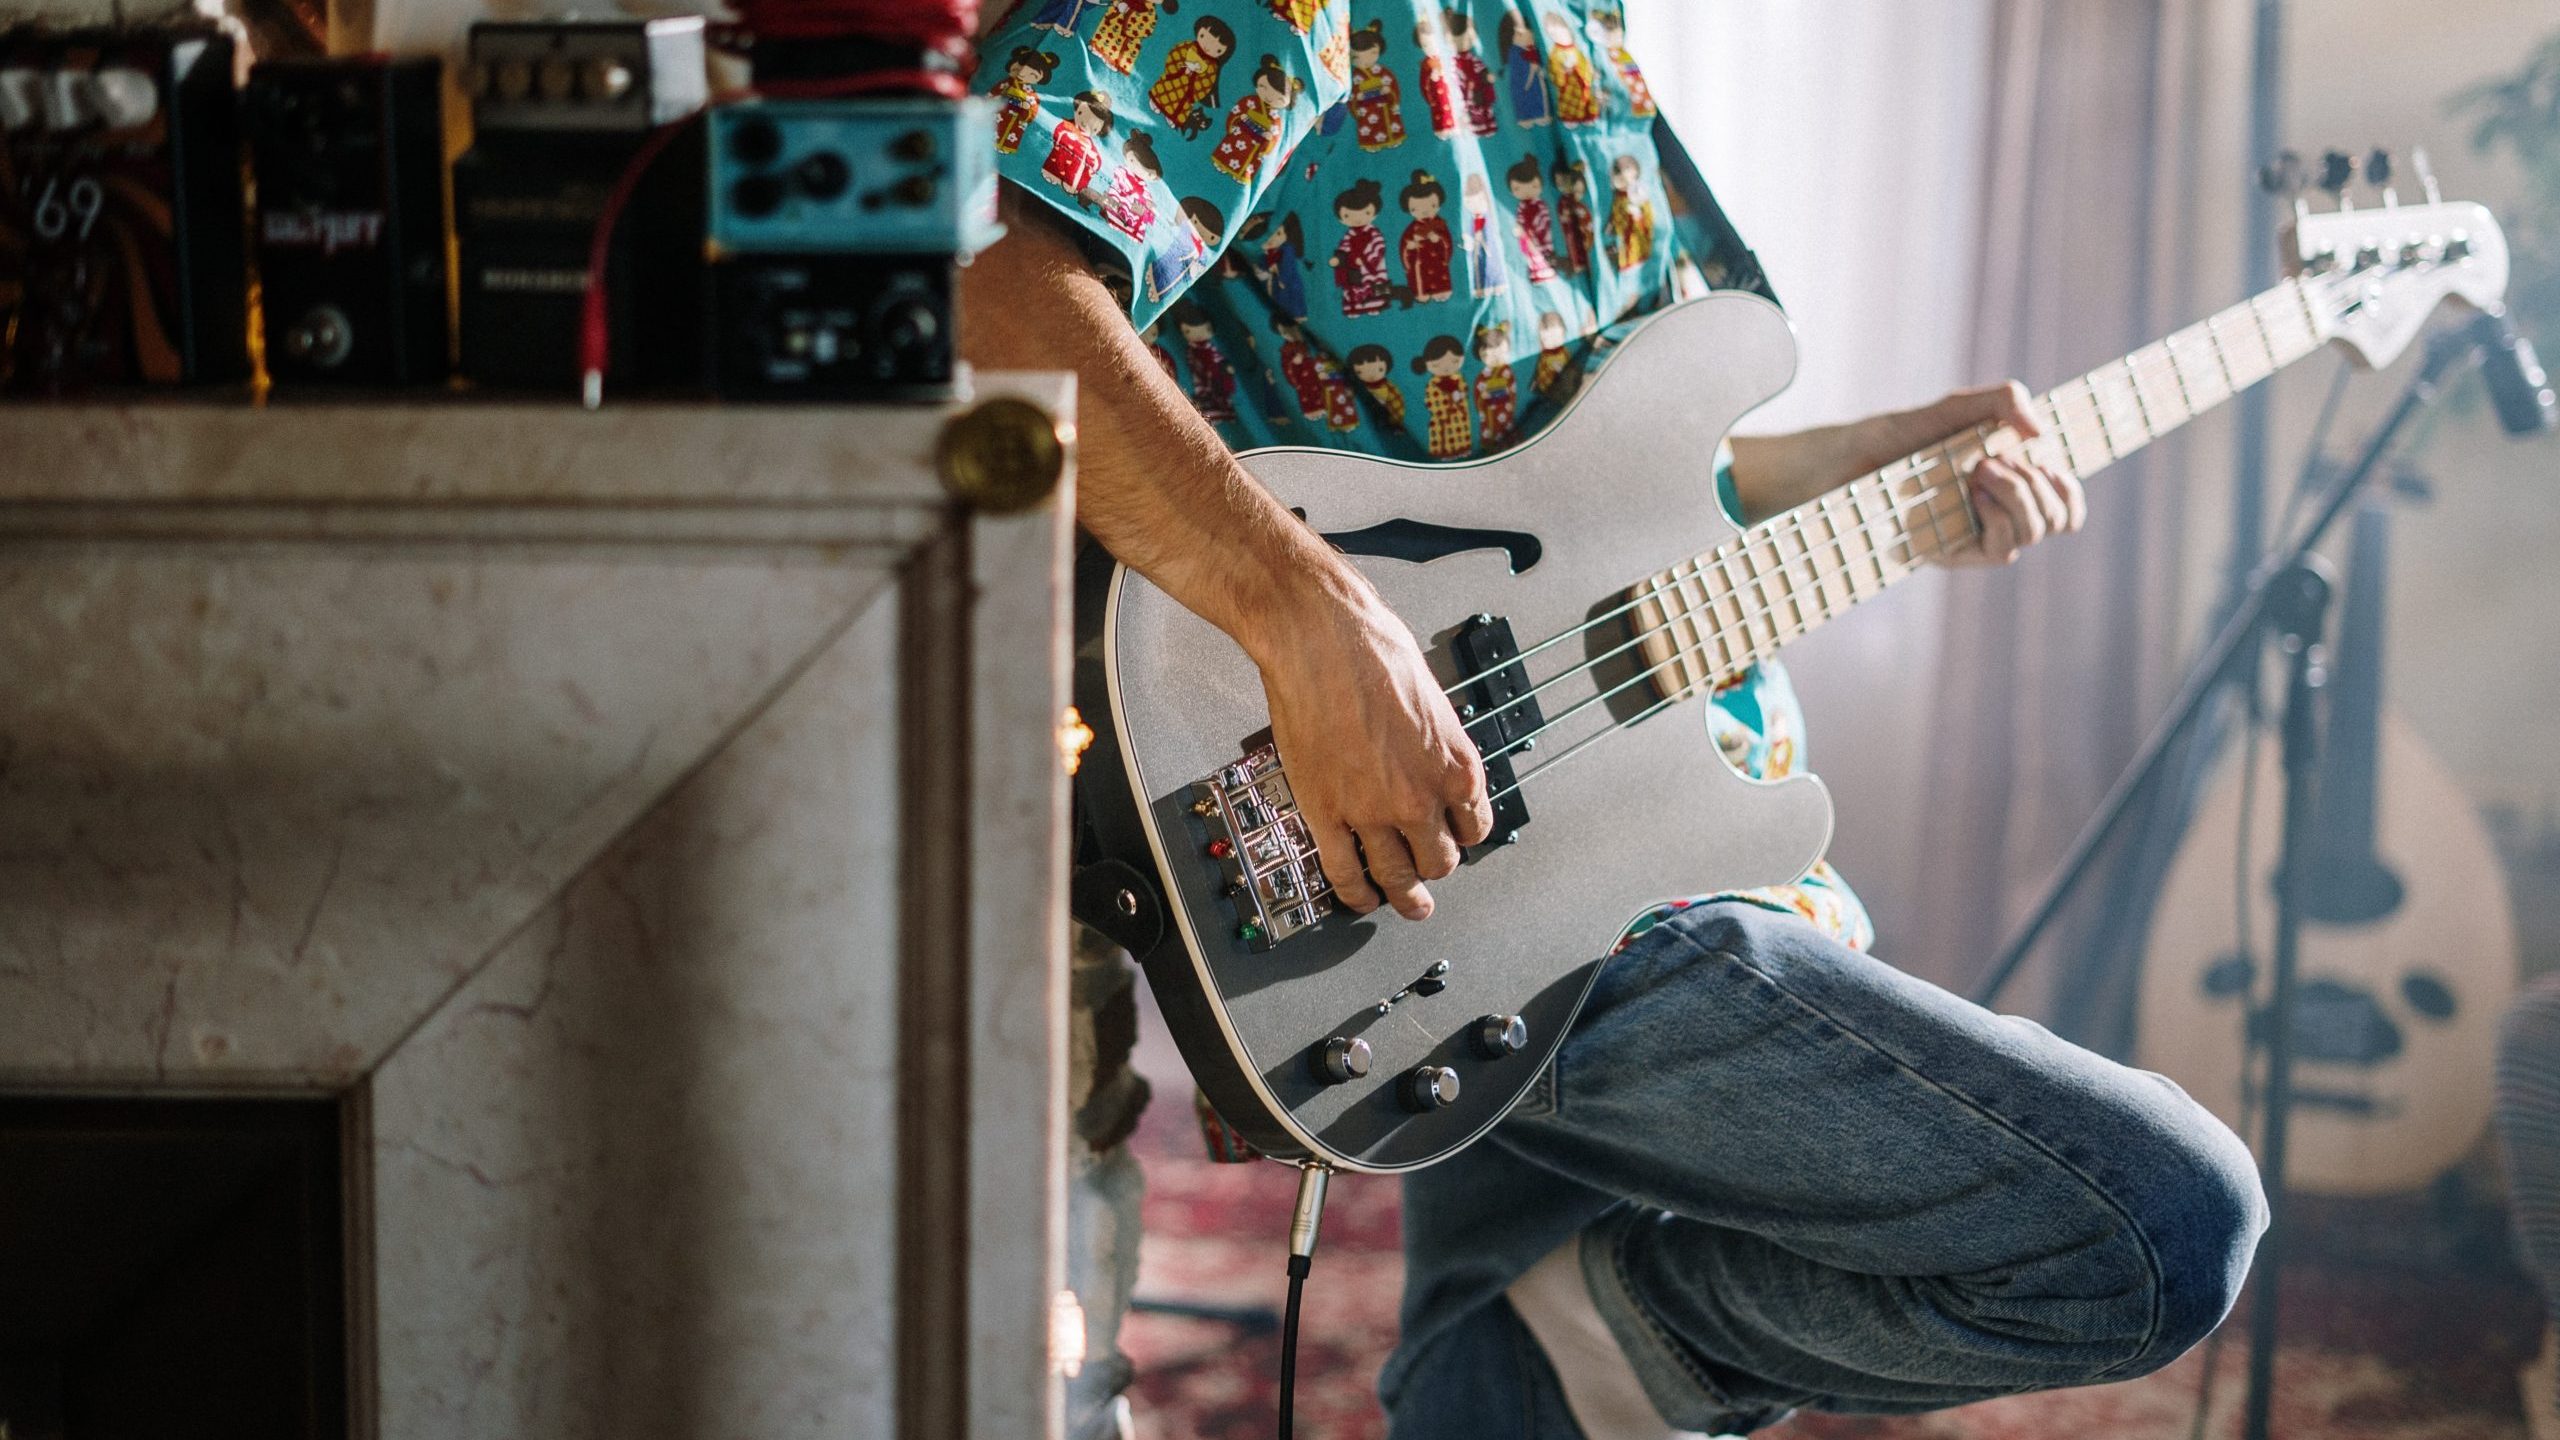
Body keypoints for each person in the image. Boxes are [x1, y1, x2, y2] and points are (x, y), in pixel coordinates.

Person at [966, 4, 2268, 1437]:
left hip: (1637, 795)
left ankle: (1525, 1368)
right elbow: (987, 284)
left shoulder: (1582, 24)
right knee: (2155, 1228)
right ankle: (1542, 1361)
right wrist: (1301, 614)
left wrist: (1871, 472)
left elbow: (1600, 478)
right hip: (1455, 848)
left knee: (1519, 1383)